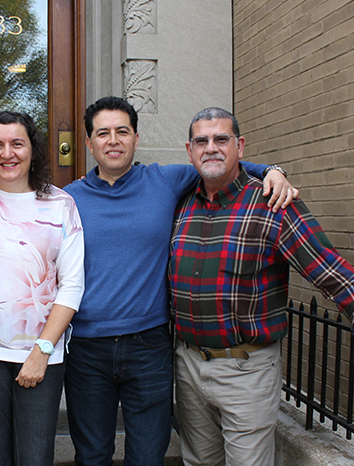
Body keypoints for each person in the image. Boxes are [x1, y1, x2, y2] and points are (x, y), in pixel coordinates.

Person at [62, 96, 297, 466]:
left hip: (149, 345)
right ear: (89, 144)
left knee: (148, 455)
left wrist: (273, 170)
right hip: (87, 349)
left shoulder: (166, 180)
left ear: (136, 138)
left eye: (122, 131)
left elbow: (221, 162)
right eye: (102, 133)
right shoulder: (67, 199)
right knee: (91, 455)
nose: (113, 140)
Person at [169, 107, 354, 466]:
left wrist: (273, 172)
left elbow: (330, 269)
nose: (211, 148)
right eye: (201, 141)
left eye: (221, 139)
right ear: (189, 150)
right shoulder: (180, 202)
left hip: (246, 369)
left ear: (239, 145)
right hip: (188, 364)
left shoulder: (274, 203)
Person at [0, 111, 85, 466]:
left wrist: (42, 350)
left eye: (17, 143)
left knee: (35, 457)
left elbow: (72, 285)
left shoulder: (60, 204)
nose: (7, 153)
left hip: (42, 352)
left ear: (32, 150)